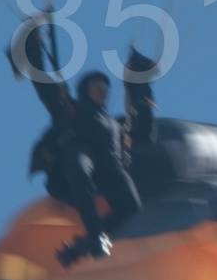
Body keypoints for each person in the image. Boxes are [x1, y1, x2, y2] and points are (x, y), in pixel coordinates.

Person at [12, 16, 153, 266]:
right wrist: (32, 48)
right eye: (95, 84)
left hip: (109, 167)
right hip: (79, 154)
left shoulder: (117, 125)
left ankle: (83, 246)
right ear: (85, 90)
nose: (101, 89)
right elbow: (44, 86)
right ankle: (96, 235)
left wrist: (140, 85)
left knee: (131, 207)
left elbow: (144, 133)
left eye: (104, 86)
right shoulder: (70, 110)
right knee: (79, 168)